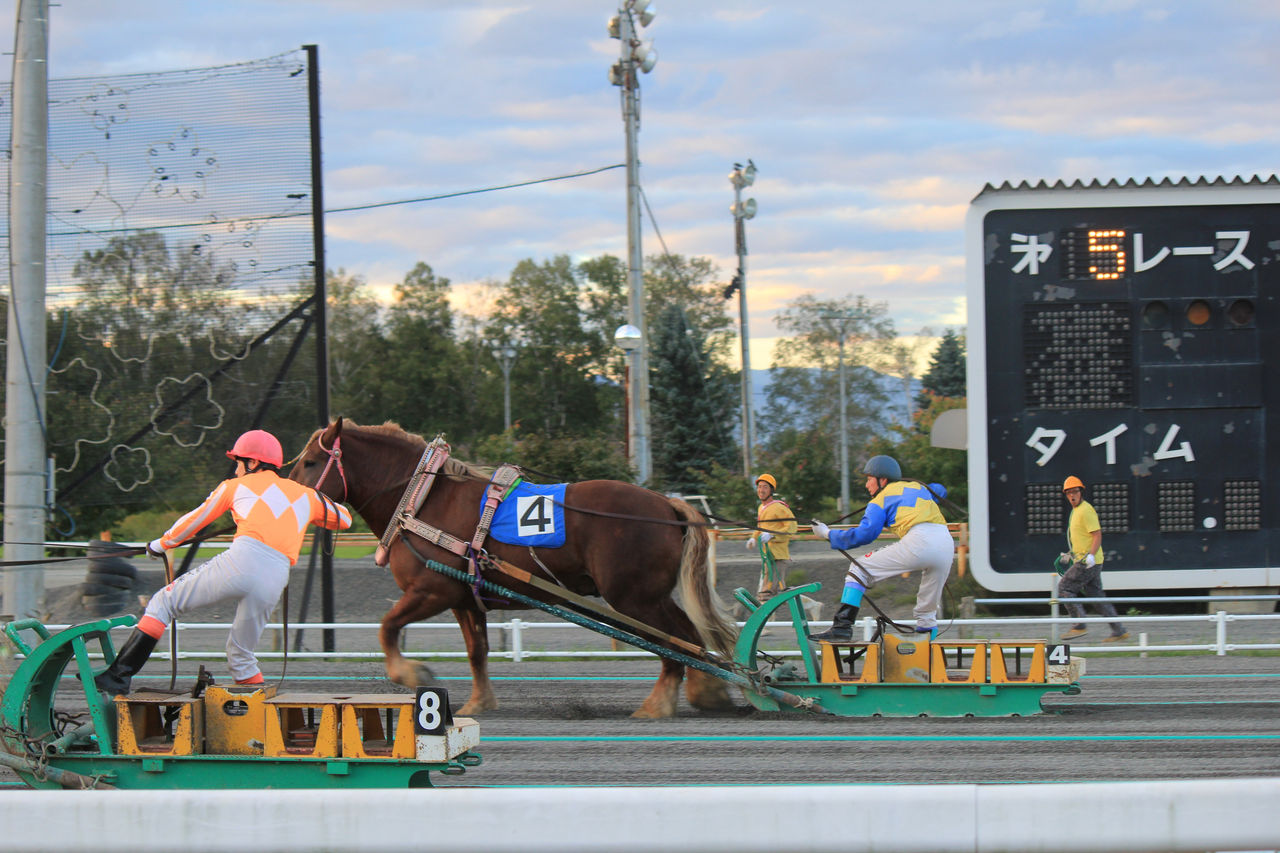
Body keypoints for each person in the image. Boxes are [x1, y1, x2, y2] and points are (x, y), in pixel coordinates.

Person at [94, 429, 352, 695]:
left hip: (242, 562)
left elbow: (195, 519)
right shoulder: (305, 495)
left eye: (238, 462)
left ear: (253, 462)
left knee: (162, 602)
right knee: (241, 656)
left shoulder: (233, 486)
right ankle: (259, 715)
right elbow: (345, 519)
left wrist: (161, 544)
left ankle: (118, 677)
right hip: (277, 576)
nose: (236, 469)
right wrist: (312, 499)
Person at [809, 455, 954, 642]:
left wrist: (827, 534)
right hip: (946, 542)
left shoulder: (879, 501)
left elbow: (864, 534)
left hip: (920, 541)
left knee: (858, 570)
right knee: (927, 611)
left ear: (882, 480)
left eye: (869, 479)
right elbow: (940, 490)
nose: (867, 485)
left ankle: (842, 627)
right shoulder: (918, 487)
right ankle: (926, 646)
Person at [1058, 476, 1128, 642]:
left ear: (1081, 492)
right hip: (1089, 560)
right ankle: (1119, 630)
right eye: (1069, 492)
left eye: (1075, 491)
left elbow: (1097, 535)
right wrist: (1071, 554)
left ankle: (1079, 624)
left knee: (1064, 588)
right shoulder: (1076, 511)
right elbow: (1082, 537)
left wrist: (1090, 555)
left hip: (1087, 561)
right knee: (1096, 596)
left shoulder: (1086, 510)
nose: (1072, 495)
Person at [746, 473, 798, 603]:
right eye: (759, 487)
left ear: (771, 490)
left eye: (765, 487)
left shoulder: (779, 507)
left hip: (778, 556)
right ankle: (809, 605)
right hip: (768, 556)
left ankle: (760, 608)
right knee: (778, 591)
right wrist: (753, 538)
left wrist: (773, 535)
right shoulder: (761, 508)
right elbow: (761, 526)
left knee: (768, 591)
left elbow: (792, 526)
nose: (761, 490)